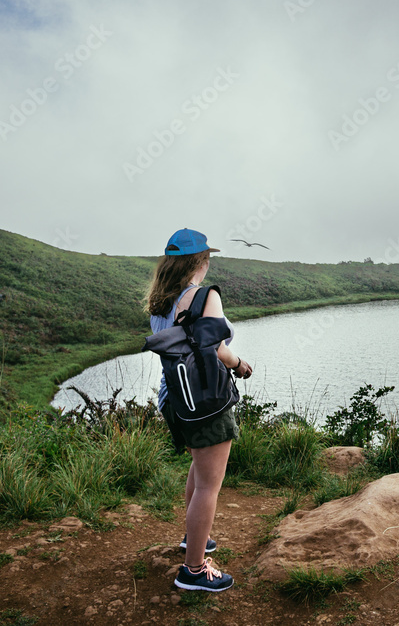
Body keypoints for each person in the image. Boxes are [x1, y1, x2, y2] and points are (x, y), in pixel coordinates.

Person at [143, 228, 253, 592]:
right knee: (210, 484)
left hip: (174, 399)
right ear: (200, 261)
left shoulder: (161, 301)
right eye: (207, 258)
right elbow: (216, 348)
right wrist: (239, 364)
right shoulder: (205, 296)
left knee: (198, 465)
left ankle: (195, 539)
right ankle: (192, 570)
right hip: (205, 399)